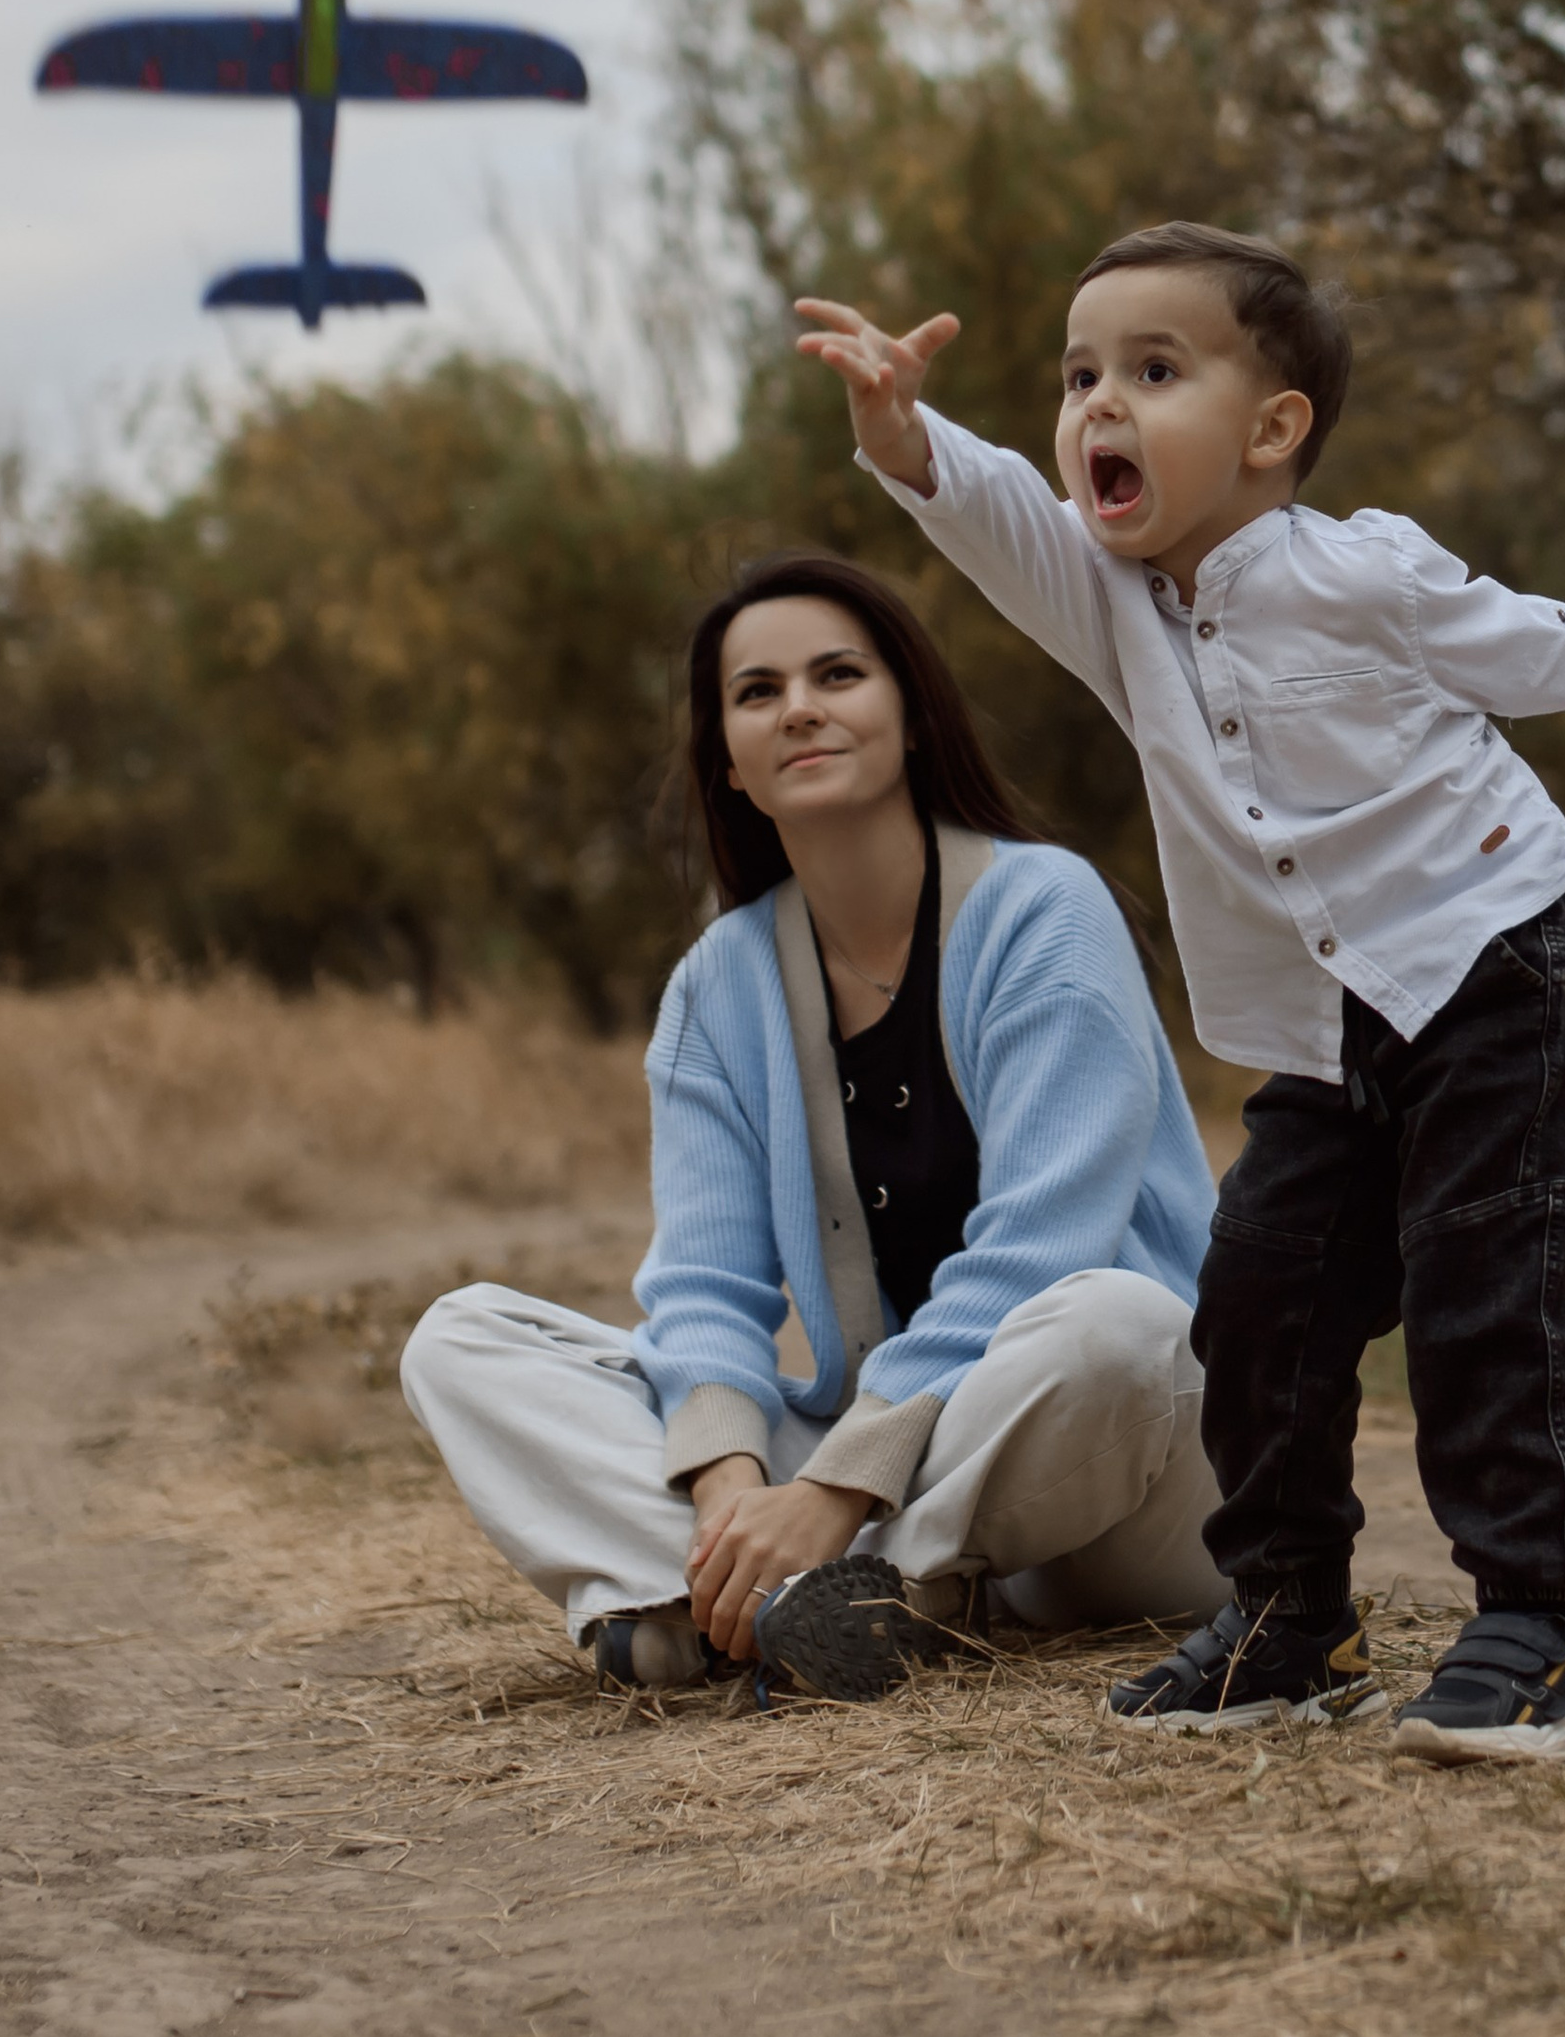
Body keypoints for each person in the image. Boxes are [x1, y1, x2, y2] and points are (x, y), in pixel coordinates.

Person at [795, 224, 1565, 1763]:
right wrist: (899, 430)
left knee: (1485, 1294)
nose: (1096, 409)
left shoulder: (1361, 571)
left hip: (1507, 969)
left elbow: (1528, 643)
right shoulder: (1114, 608)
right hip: (1332, 1038)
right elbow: (995, 512)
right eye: (1078, 378)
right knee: (1255, 1303)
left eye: (1152, 370)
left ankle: (1541, 1633)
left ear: (1274, 431)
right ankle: (1289, 1621)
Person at [400, 553, 1224, 1705]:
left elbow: (1047, 1247)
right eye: (756, 691)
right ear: (728, 764)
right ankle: (822, 1601)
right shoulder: (715, 988)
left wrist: (831, 1493)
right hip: (912, 1470)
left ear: (911, 717)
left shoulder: (1046, 914)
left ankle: (743, 1606)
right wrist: (731, 1484)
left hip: (1129, 1462)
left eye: (838, 673)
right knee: (464, 1340)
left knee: (1116, 1323)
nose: (799, 706)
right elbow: (701, 1288)